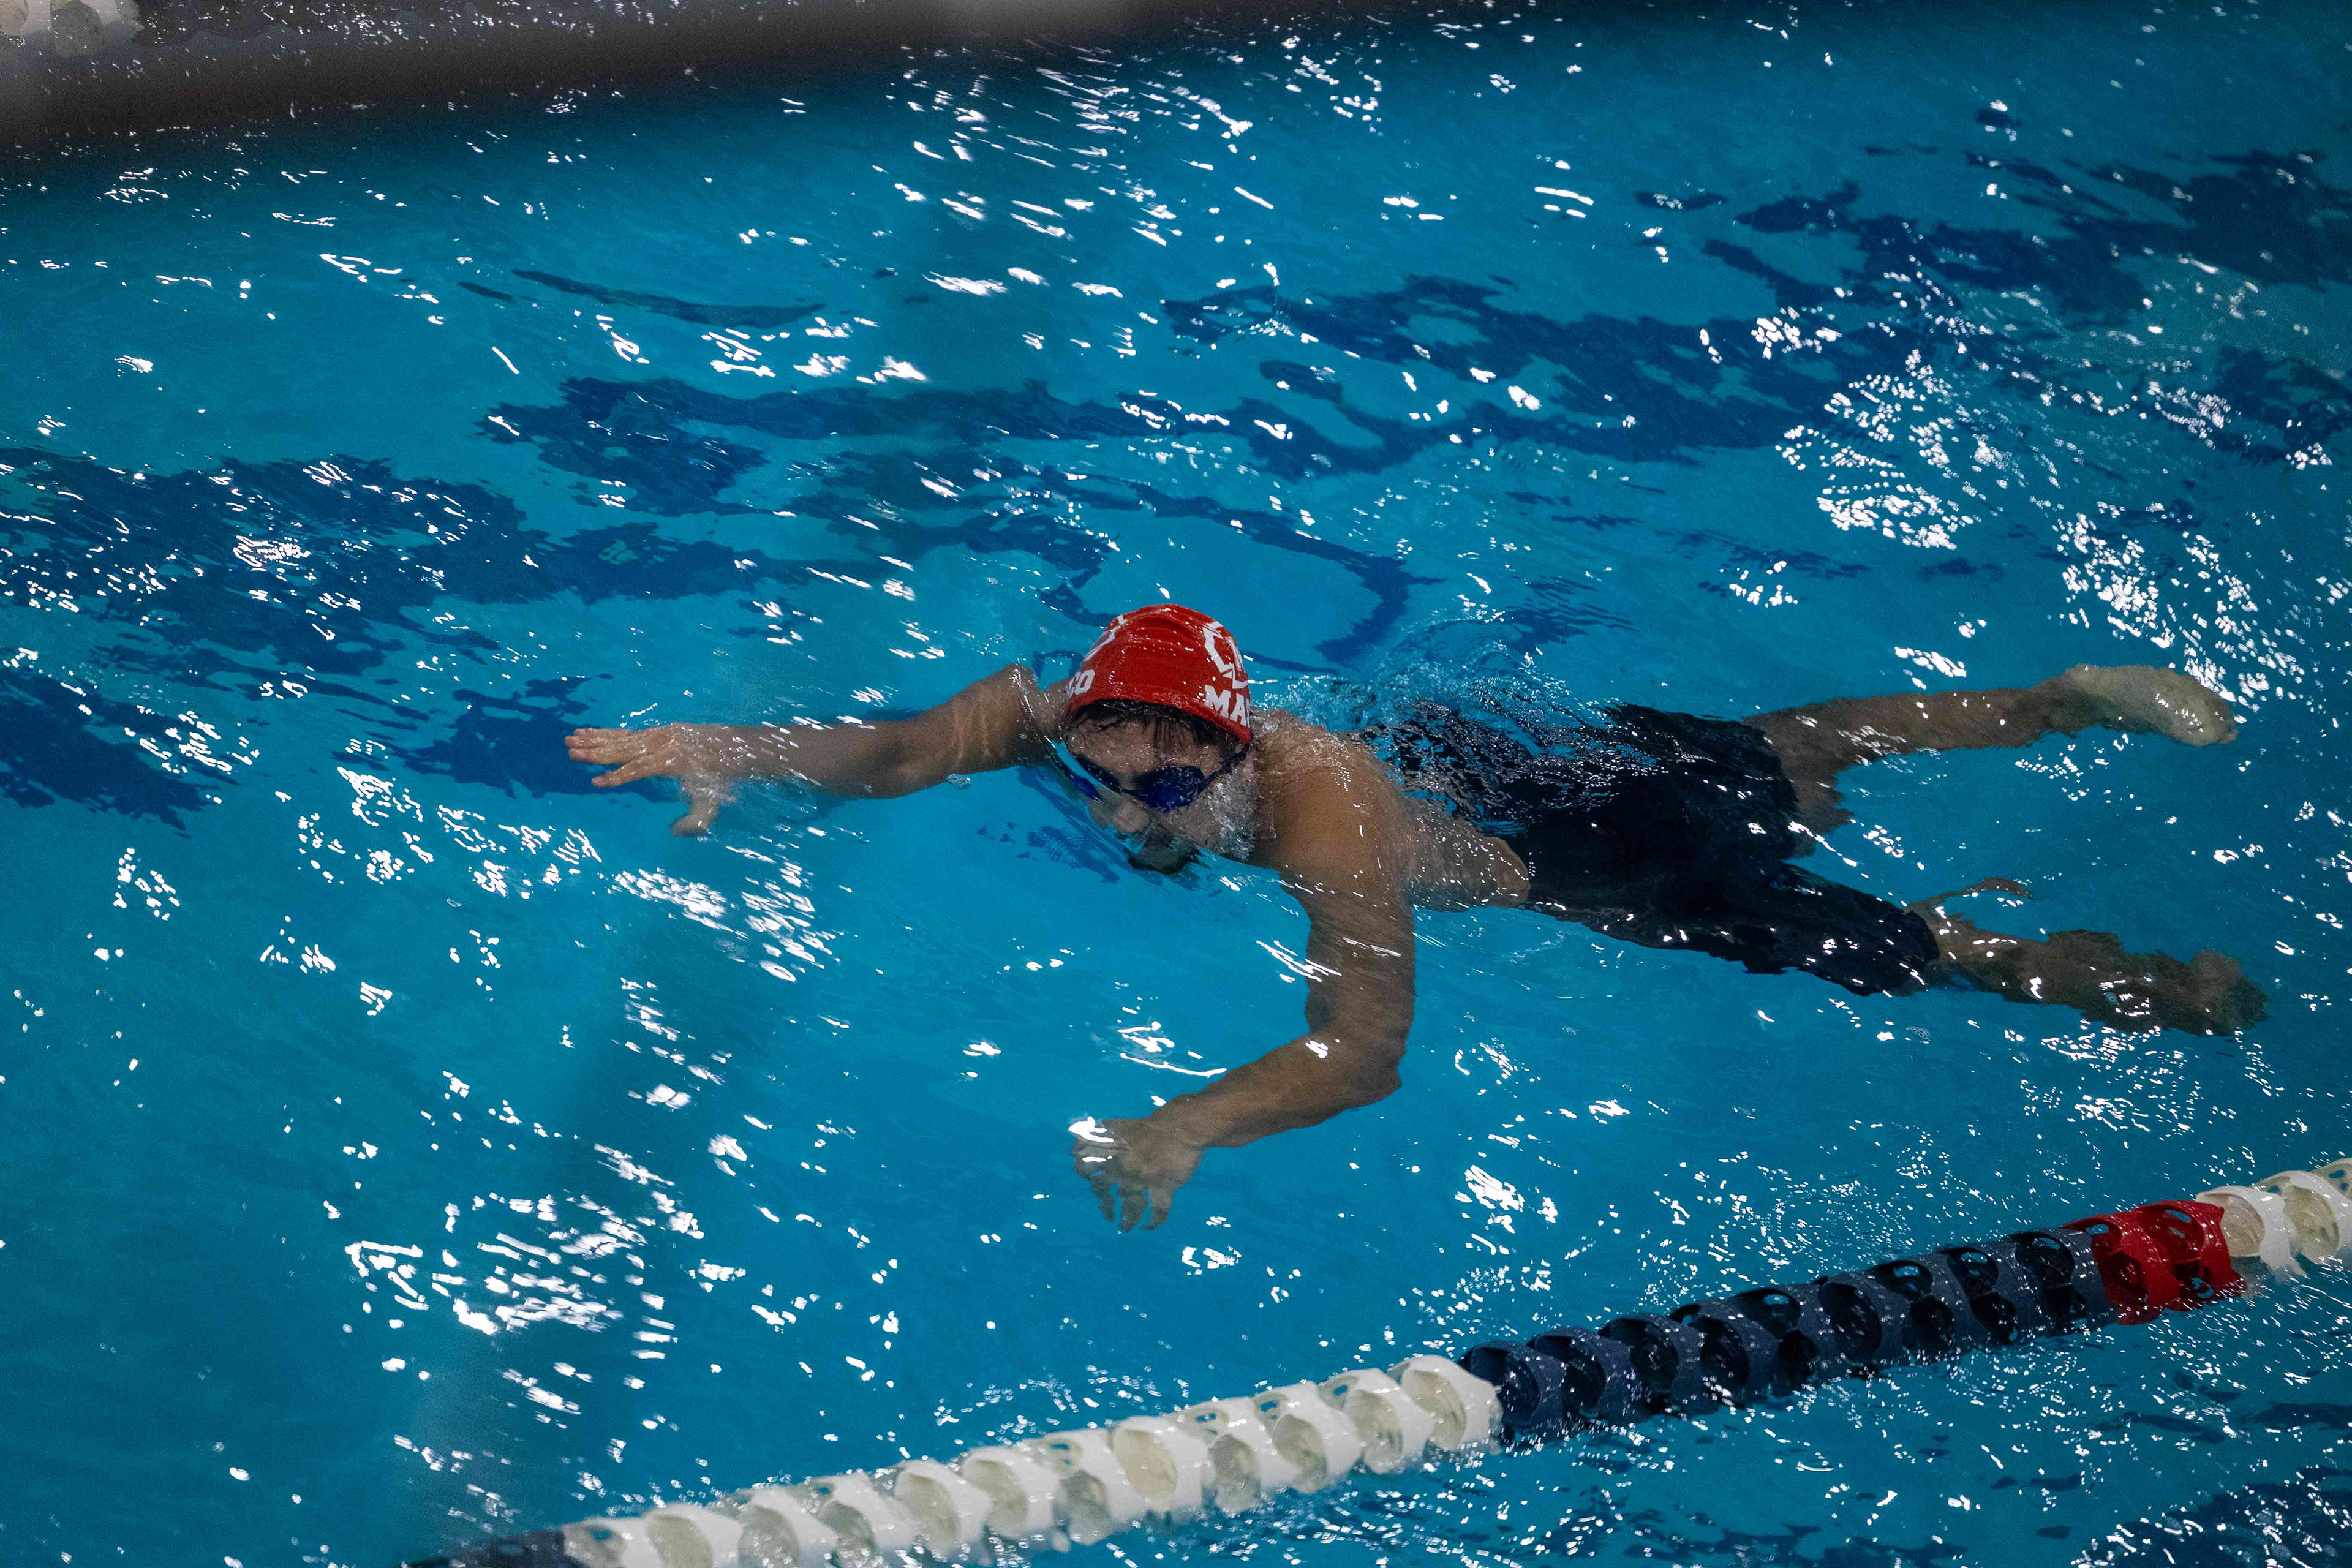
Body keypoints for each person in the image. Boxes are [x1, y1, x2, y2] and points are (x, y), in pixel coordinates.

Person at [566, 605, 2263, 1229]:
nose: (1127, 801)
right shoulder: (1058, 711)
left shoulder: (1321, 810)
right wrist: (730, 747)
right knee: (1787, 746)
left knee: (1893, 935)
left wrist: (1190, 1122)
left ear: (1236, 752)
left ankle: (2155, 981)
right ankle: (2062, 696)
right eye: (1103, 766)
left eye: (1171, 783)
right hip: (1495, 751)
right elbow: (889, 750)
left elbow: (1367, 1043)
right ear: (1076, 713)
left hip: (1576, 858)